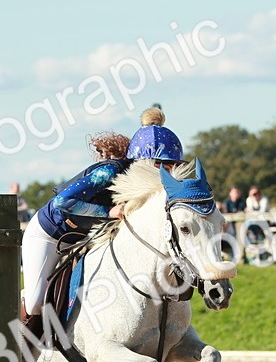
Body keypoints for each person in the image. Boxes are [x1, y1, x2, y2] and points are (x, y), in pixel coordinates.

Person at [22, 107, 183, 317]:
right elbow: (62, 202)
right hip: (51, 234)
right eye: (161, 166)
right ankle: (18, 323)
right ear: (142, 162)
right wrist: (108, 211)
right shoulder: (108, 172)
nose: (165, 174)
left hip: (88, 237)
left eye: (171, 167)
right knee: (35, 303)